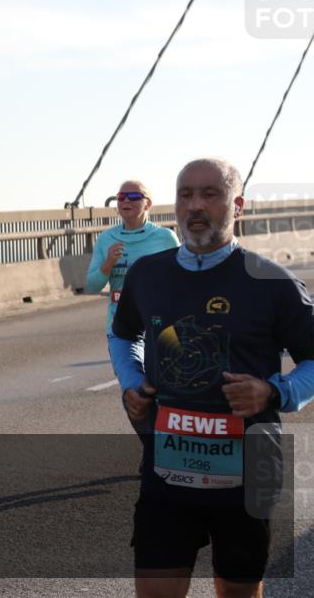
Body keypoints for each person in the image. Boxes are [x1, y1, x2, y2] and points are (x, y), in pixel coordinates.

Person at [111, 158, 314, 597]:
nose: (195, 206)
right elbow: (122, 334)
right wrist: (130, 382)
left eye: (210, 194)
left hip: (247, 474)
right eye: (185, 195)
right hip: (167, 471)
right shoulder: (148, 274)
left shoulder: (273, 283)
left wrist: (275, 391)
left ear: (237, 205)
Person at [86, 180, 179, 410]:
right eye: (121, 197)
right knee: (135, 390)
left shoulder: (165, 238)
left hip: (161, 326)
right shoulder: (106, 239)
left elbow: (182, 281)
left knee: (173, 386)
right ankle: (150, 441)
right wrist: (108, 264)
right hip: (121, 326)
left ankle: (162, 438)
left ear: (148, 204)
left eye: (134, 196)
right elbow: (91, 285)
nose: (126, 200)